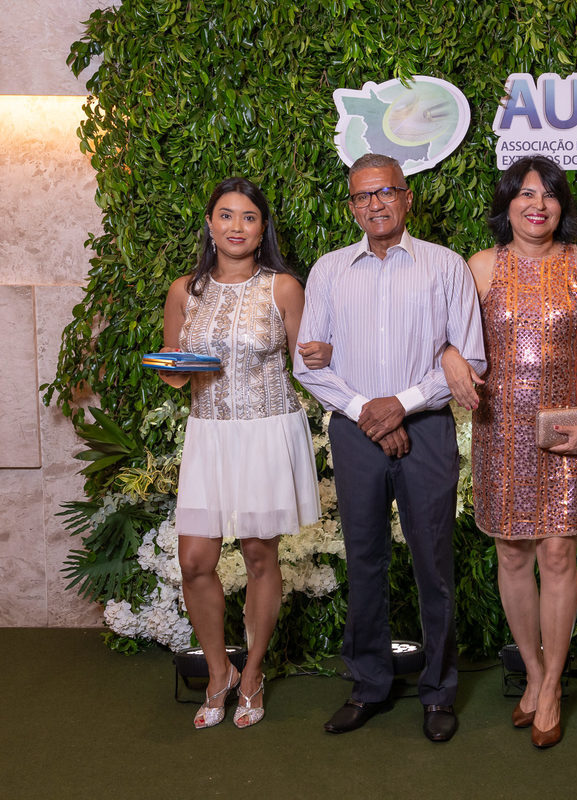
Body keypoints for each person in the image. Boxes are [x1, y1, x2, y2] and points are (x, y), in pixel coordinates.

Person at [293, 153, 486, 743]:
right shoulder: (329, 271)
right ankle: (369, 685)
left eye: (385, 192)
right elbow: (308, 361)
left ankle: (439, 691)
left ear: (407, 198)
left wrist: (400, 404)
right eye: (362, 196)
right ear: (351, 207)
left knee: (434, 562)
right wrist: (368, 413)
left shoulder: (445, 265)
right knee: (364, 558)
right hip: (355, 431)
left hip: (426, 431)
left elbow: (471, 359)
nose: (374, 204)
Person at [442, 155, 577, 748]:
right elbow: (444, 336)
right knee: (512, 553)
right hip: (500, 430)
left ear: (561, 206)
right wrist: (449, 357)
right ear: (507, 204)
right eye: (525, 194)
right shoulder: (481, 266)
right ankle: (536, 675)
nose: (537, 205)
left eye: (548, 195)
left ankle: (552, 686)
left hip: (566, 432)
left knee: (559, 553)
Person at [158, 177, 323, 730]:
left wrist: (325, 354)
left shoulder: (284, 287)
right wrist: (172, 368)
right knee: (194, 561)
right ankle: (218, 671)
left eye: (248, 217)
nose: (236, 226)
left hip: (265, 433)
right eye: (226, 215)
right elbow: (175, 371)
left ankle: (251, 672)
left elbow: (308, 366)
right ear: (210, 224)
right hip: (209, 434)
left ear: (262, 228)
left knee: (258, 556)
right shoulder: (185, 291)